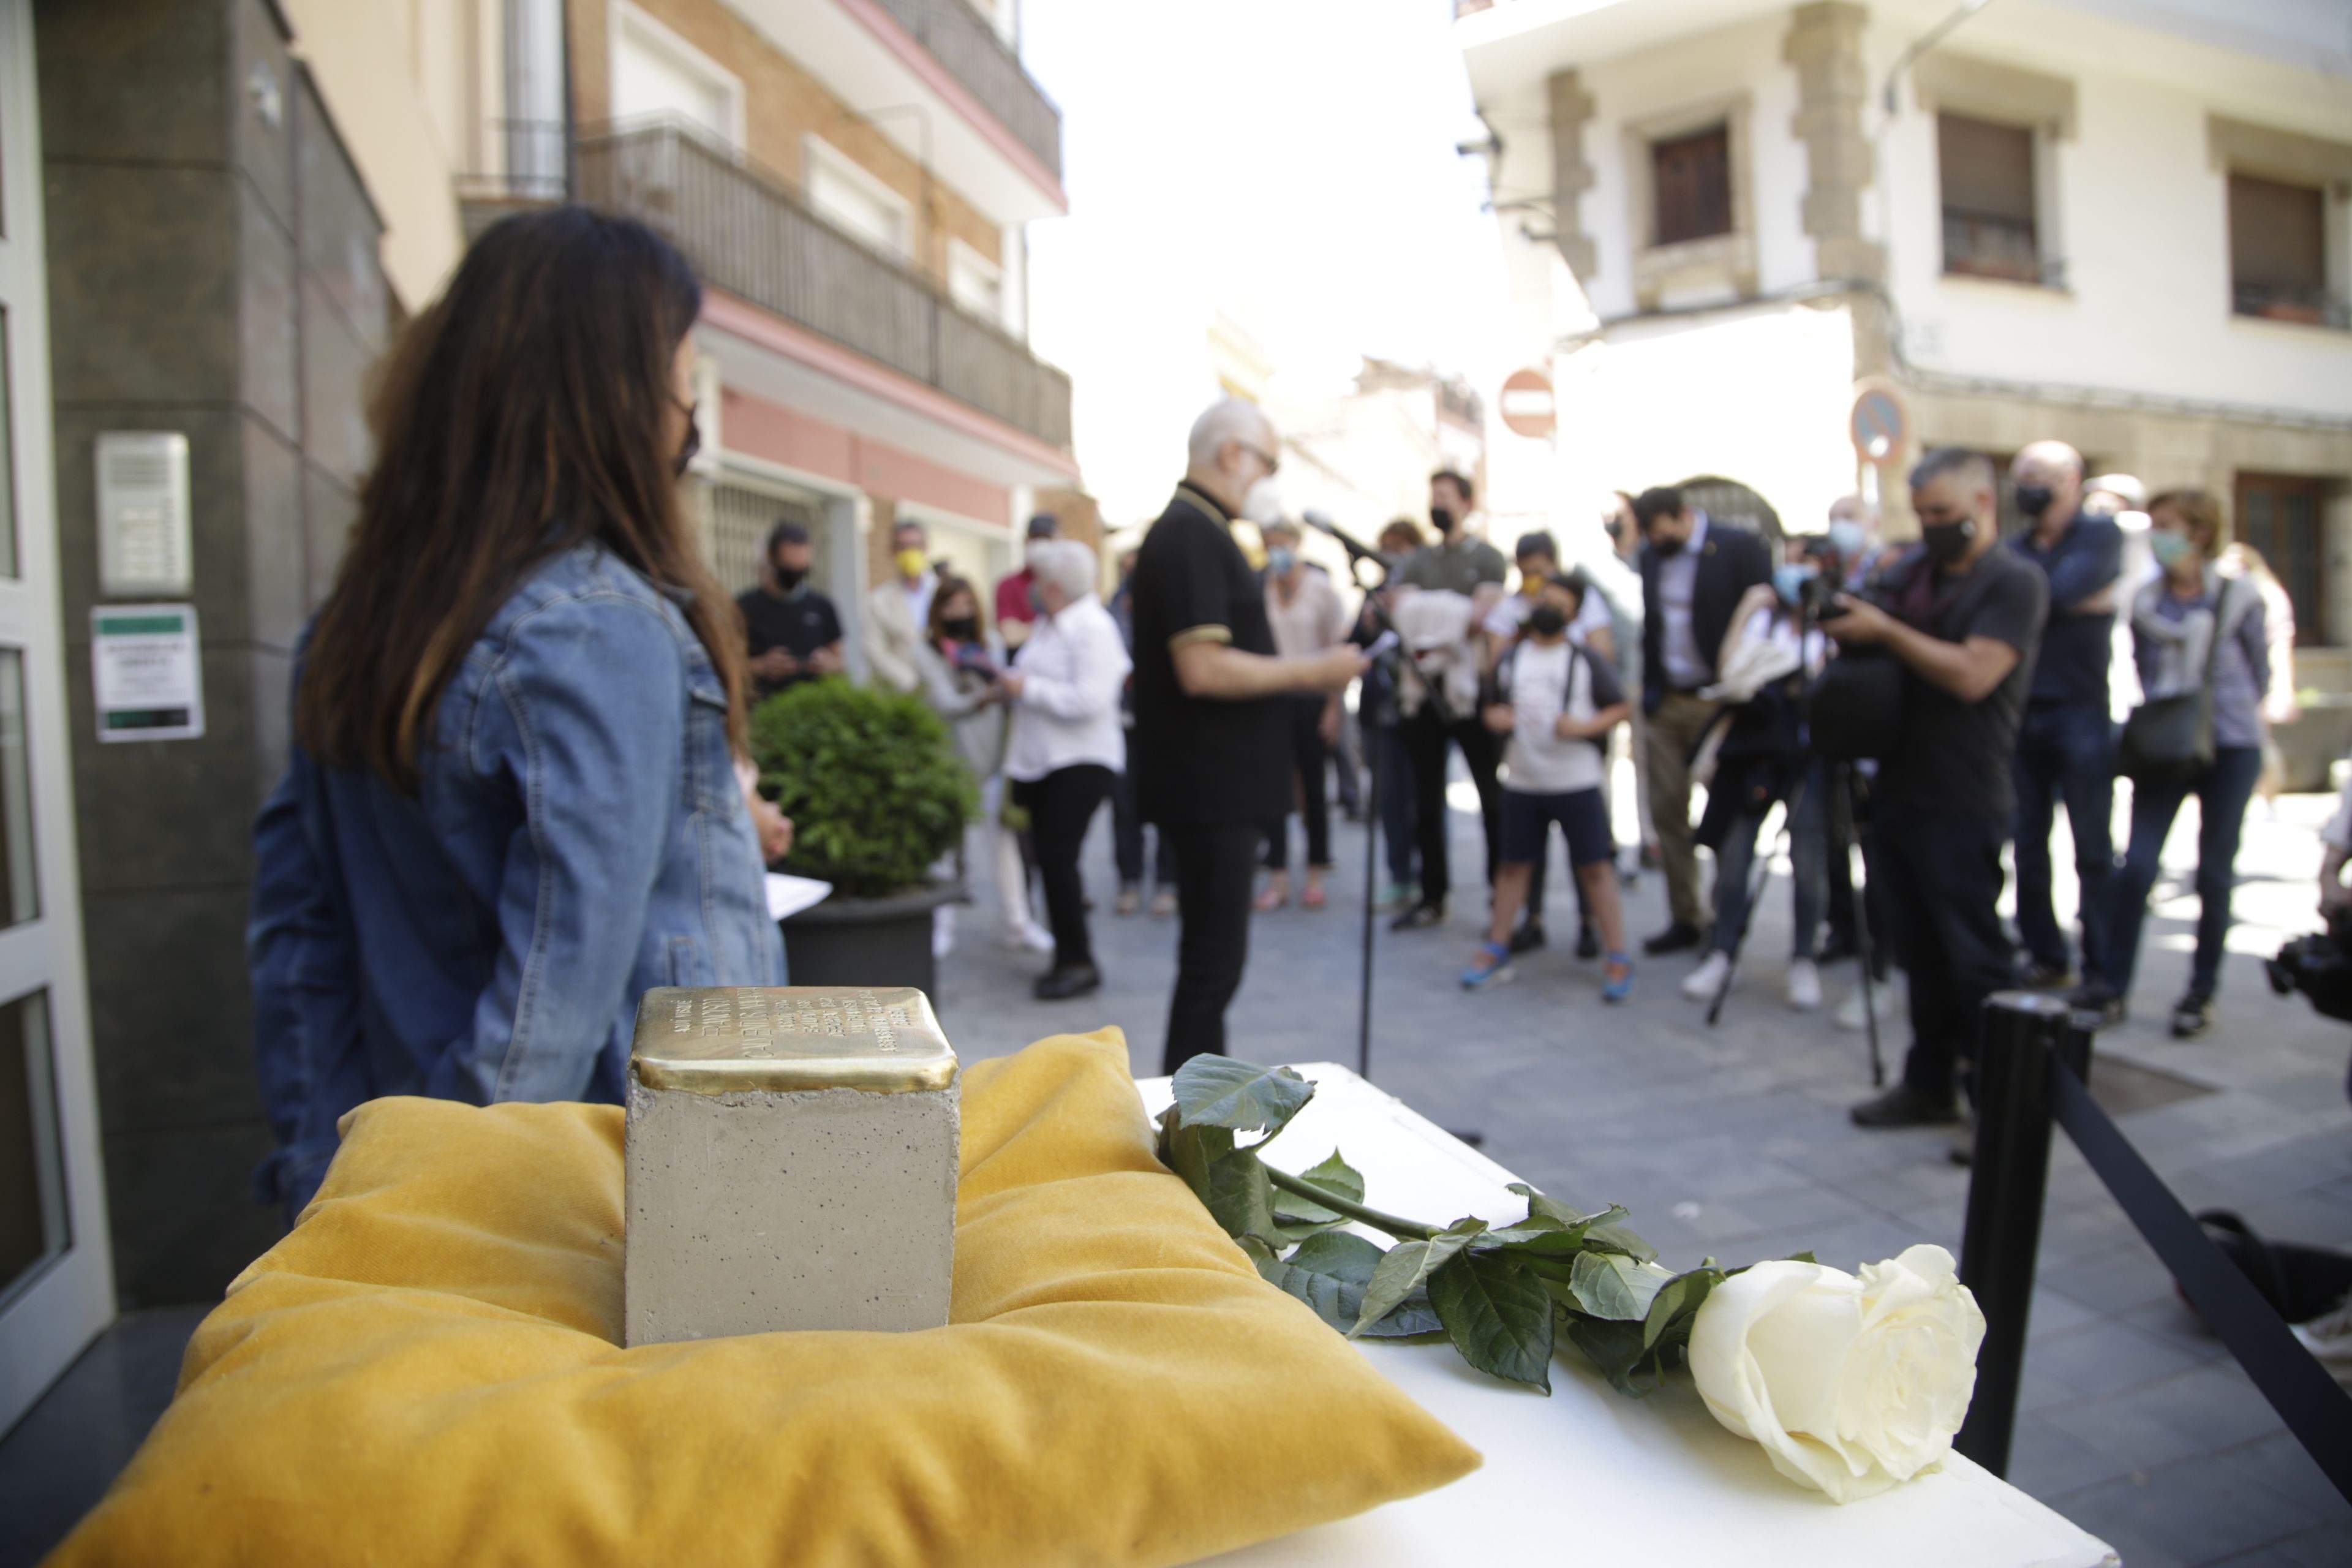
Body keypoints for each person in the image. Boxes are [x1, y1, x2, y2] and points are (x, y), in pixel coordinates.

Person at [247, 208, 783, 1218]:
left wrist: (331, 1184)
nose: (688, 413)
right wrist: (447, 1208)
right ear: (613, 394)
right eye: (682, 372)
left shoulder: (359, 623)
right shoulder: (595, 625)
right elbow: (562, 988)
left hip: (407, 1155)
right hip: (594, 1202)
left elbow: (300, 935)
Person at [1129, 398, 1366, 1073]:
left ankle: (1201, 1112)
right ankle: (1192, 1123)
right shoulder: (1190, 533)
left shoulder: (1202, 530)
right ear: (1233, 454)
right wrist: (1316, 668)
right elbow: (1201, 667)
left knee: (1213, 965)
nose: (1270, 475)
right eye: (1269, 460)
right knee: (1212, 967)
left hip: (1216, 785)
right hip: (1210, 788)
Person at [1830, 448, 2049, 1130]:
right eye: (1921, 514)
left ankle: (2002, 1109)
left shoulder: (2013, 583)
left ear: (1984, 505)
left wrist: (1887, 631)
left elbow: (1973, 675)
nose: (1930, 526)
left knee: (1976, 956)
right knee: (1918, 953)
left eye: (1943, 514)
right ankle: (1928, 1084)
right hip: (1898, 786)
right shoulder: (1912, 572)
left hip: (1965, 792)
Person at [2080, 490, 2270, 1038]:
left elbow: (2260, 670)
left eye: (2167, 526)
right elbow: (2142, 669)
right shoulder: (2143, 602)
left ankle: (2199, 993)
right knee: (2136, 867)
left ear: (2200, 533)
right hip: (2164, 747)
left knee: (2214, 873)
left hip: (2231, 744)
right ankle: (2113, 987)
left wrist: (2222, 717)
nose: (2157, 537)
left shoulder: (2239, 598)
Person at [1459, 573, 1634, 1000]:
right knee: (1514, 866)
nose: (1549, 608)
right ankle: (1496, 945)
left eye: (1561, 603)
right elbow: (1489, 707)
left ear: (1574, 614)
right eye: (1545, 599)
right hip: (1524, 780)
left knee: (1595, 867)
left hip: (1575, 781)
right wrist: (1494, 719)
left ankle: (1617, 954)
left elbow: (1621, 704)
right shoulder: (1512, 658)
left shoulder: (1584, 659)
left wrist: (1586, 726)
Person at [1681, 546, 1834, 1009]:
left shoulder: (1829, 630)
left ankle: (1804, 958)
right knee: (1734, 858)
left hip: (1807, 759)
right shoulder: (1761, 624)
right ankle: (1723, 953)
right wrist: (1747, 609)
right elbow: (1729, 674)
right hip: (1751, 757)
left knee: (1809, 863)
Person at [2006, 440, 2124, 991]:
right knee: (2028, 846)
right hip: (2021, 712)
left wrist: (2044, 599)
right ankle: (2045, 955)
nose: (2027, 484)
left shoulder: (2101, 536)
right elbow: (2020, 602)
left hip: (2081, 711)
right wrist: (2060, 601)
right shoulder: (2014, 546)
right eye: (2021, 474)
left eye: (2039, 474)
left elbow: (2038, 596)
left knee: (2092, 851)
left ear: (2072, 479)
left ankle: (2101, 972)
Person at [1635, 484, 1771, 954]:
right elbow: (1653, 627)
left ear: (1681, 515)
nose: (1653, 542)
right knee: (1666, 809)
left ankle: (1725, 919)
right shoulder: (1653, 558)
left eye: (1658, 531)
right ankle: (1685, 915)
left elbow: (1763, 618)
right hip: (1668, 701)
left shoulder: (1737, 548)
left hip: (1722, 703)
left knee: (1727, 816)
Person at [1000, 539, 1129, 1000]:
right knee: (1051, 861)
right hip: (1042, 763)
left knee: (1059, 860)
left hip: (1078, 763)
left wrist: (1027, 688)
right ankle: (1068, 955)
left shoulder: (1093, 628)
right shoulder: (1049, 625)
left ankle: (1077, 961)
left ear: (1053, 587)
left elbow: (1090, 699)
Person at [1391, 469, 1509, 930]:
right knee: (1425, 799)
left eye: (1443, 495)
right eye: (1432, 494)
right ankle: (1432, 894)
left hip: (1471, 693)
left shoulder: (1489, 558)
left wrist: (1431, 618)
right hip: (1424, 693)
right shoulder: (1418, 560)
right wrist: (1454, 621)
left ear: (1464, 502)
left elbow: (1481, 619)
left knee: (1490, 795)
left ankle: (1502, 894)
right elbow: (1404, 615)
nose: (1436, 503)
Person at [910, 575, 1052, 957]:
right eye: (950, 606)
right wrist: (983, 696)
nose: (960, 613)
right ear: (938, 611)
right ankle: (941, 926)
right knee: (944, 852)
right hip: (948, 763)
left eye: (966, 604)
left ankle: (1019, 924)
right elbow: (943, 703)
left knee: (1004, 845)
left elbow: (1007, 693)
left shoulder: (988, 643)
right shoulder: (927, 650)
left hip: (993, 763)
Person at [1257, 519, 1350, 911]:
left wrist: (1334, 706)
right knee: (1273, 789)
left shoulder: (1321, 591)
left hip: (1311, 698)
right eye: (1269, 545)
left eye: (1282, 544)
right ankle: (1277, 874)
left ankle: (1315, 869)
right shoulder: (1262, 588)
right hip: (1272, 697)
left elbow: (1336, 651)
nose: (1276, 552)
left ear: (1297, 544)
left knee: (1313, 788)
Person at [1359, 519, 1428, 911]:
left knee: (1422, 798)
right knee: (1390, 799)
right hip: (1381, 710)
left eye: (1400, 547)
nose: (1392, 554)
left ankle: (1427, 877)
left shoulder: (1425, 592)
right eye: (1386, 546)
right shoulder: (1376, 594)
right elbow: (1357, 640)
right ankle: (1398, 875)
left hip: (1418, 710)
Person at [1107, 545, 1178, 918]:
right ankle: (1129, 880)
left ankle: (1168, 882)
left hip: (1164, 726)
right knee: (1124, 806)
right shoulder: (1110, 613)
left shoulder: (1172, 612)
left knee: (1167, 804)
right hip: (1122, 724)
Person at [736, 519, 843, 702]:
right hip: (765, 709)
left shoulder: (822, 606)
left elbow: (840, 663)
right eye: (789, 568)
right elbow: (729, 665)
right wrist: (762, 666)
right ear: (771, 559)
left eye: (801, 570)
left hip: (814, 708)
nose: (795, 575)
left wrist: (828, 665)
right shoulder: (745, 607)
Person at [865, 518, 938, 695]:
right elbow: (875, 651)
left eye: (916, 546)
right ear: (892, 551)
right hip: (902, 694)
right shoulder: (878, 601)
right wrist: (910, 683)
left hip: (943, 690)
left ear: (926, 548)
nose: (910, 553)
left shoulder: (942, 591)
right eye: (903, 547)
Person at [994, 513, 1060, 655]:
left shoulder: (1067, 584)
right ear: (1026, 540)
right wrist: (1055, 630)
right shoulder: (1008, 585)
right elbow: (1011, 636)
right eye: (1036, 538)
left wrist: (1026, 630)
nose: (1041, 544)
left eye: (1046, 538)